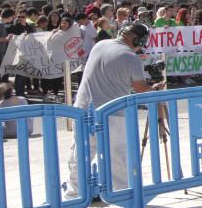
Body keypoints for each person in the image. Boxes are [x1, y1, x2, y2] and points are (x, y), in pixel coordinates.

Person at [66, 23, 164, 197]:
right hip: (113, 113)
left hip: (82, 109)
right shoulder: (131, 57)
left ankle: (74, 195)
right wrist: (155, 89)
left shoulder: (100, 45)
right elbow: (141, 89)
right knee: (117, 158)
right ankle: (121, 195)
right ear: (137, 39)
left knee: (80, 155)